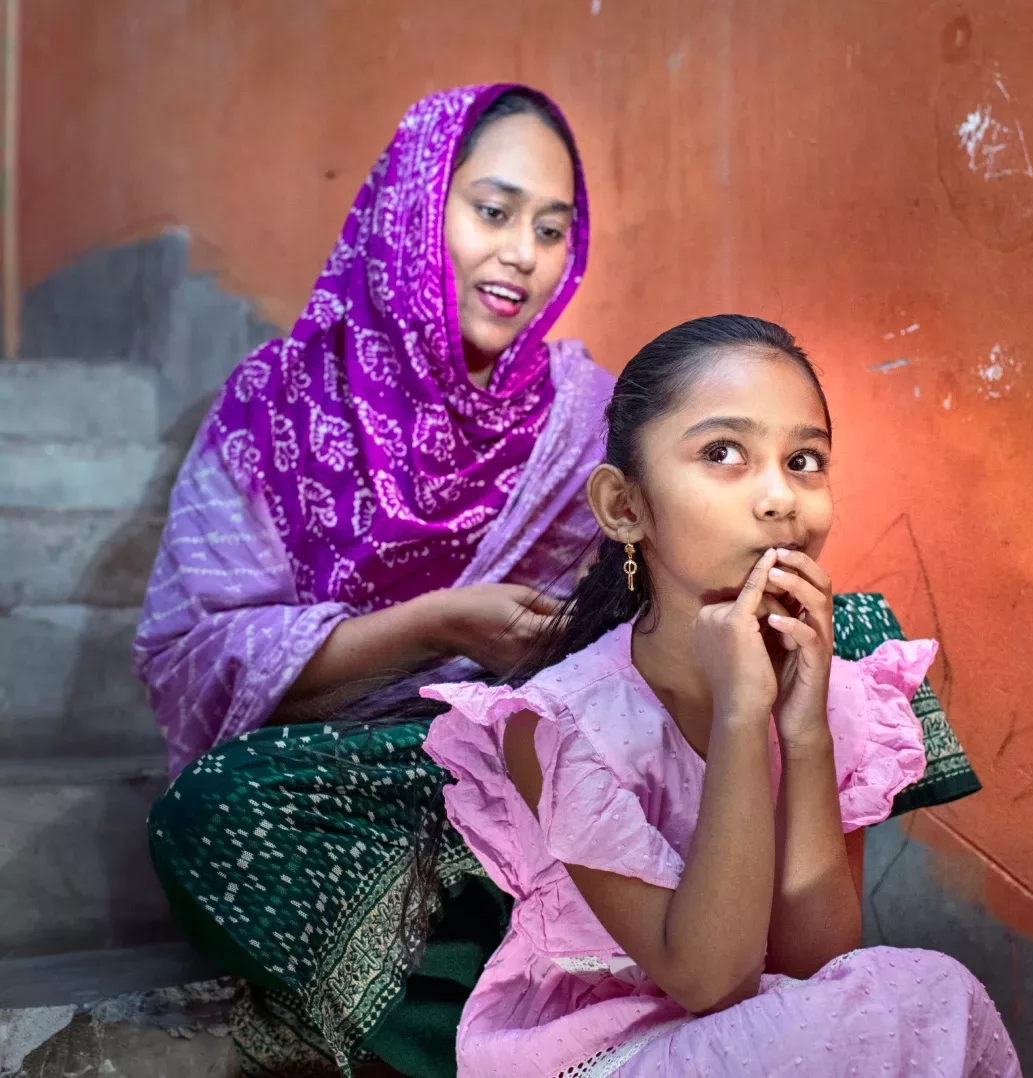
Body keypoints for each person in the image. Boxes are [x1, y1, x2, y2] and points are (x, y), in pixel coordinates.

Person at [138, 84, 612, 1077]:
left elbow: (634, 617)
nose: (522, 253)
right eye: (492, 210)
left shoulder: (583, 421)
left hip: (520, 788)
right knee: (209, 817)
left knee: (840, 653)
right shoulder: (277, 406)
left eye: (552, 229)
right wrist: (436, 625)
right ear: (414, 207)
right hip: (339, 792)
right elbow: (193, 655)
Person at [421, 315, 1020, 1076]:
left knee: (933, 990)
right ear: (624, 508)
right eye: (723, 453)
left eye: (805, 460)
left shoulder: (831, 692)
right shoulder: (564, 725)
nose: (779, 498)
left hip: (767, 1039)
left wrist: (804, 734)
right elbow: (709, 979)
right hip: (607, 1053)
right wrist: (742, 714)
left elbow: (815, 967)